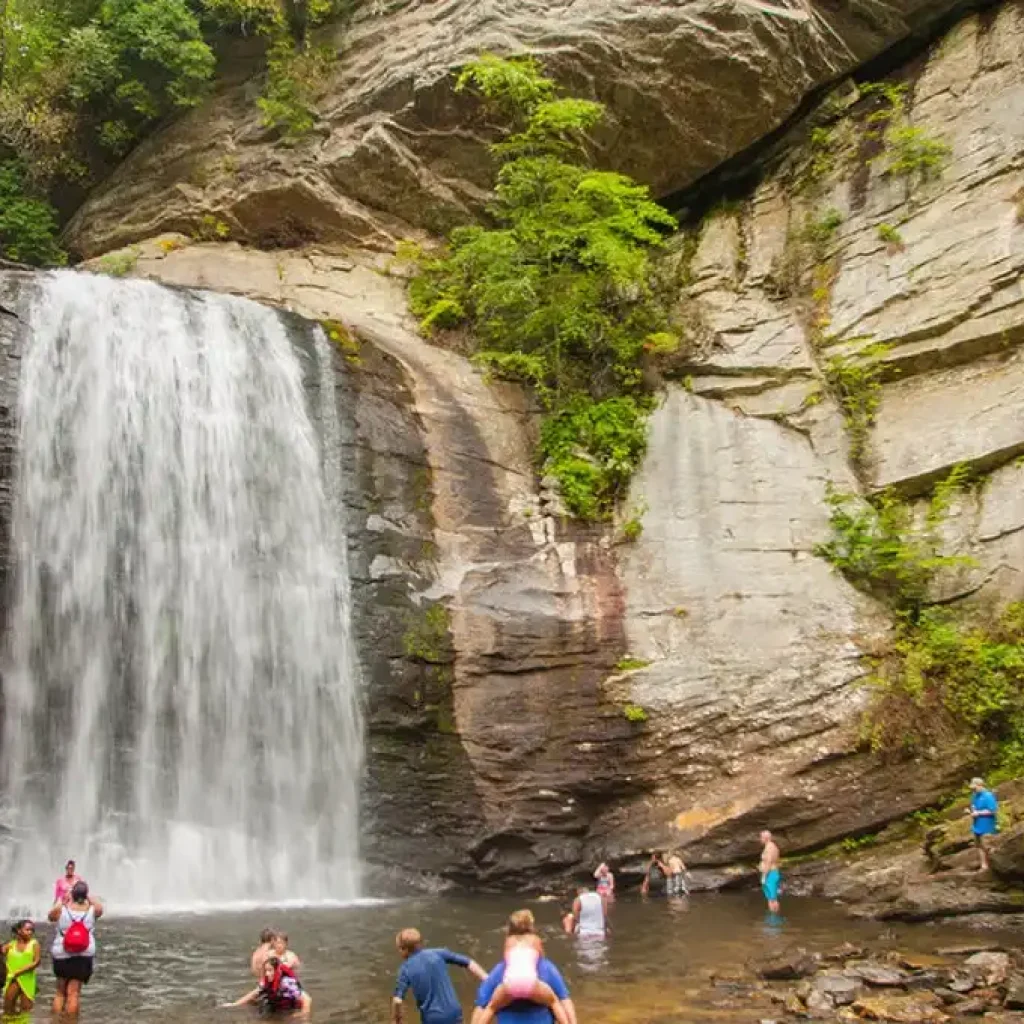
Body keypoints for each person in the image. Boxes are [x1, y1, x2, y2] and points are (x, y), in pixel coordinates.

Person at [471, 921, 577, 1024]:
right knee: (554, 1002)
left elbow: (481, 1006)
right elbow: (565, 1000)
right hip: (532, 985)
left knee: (491, 1007)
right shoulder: (546, 967)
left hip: (509, 986)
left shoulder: (500, 970)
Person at [392, 927, 487, 1024]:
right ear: (420, 944)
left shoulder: (405, 969)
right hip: (454, 1012)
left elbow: (397, 1000)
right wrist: (488, 980)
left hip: (433, 1018)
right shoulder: (438, 953)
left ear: (404, 949)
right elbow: (468, 962)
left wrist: (397, 1020)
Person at [48, 879, 103, 1014]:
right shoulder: (91, 911)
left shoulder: (62, 910)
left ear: (72, 894)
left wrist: (62, 899)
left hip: (62, 953)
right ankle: (71, 1021)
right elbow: (100, 908)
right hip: (83, 954)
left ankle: (55, 1020)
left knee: (60, 992)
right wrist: (89, 897)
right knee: (74, 993)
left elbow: (50, 917)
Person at [224, 954, 312, 1016]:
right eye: (266, 970)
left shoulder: (287, 982)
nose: (267, 974)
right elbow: (253, 993)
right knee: (252, 1002)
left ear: (277, 971)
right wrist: (234, 1004)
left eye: (270, 970)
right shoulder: (266, 982)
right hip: (277, 1007)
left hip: (290, 1009)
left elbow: (307, 999)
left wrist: (303, 1015)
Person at [2, 919, 41, 1013]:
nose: (30, 932)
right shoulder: (11, 944)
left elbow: (37, 962)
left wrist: (20, 971)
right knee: (8, 1006)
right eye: (27, 930)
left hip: (27, 978)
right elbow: (2, 954)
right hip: (13, 978)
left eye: (31, 930)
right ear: (19, 931)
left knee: (25, 1009)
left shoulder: (34, 943)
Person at [969, 776, 999, 872]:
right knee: (979, 846)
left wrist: (979, 813)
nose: (973, 790)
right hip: (977, 826)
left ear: (980, 786)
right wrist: (973, 811)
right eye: (972, 788)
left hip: (987, 826)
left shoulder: (988, 796)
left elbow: (993, 811)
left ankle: (995, 866)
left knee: (987, 846)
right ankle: (984, 865)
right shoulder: (974, 796)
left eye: (975, 788)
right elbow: (973, 806)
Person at [759, 830, 782, 914]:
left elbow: (769, 862)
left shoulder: (769, 847)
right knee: (772, 898)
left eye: (761, 837)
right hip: (773, 873)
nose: (760, 839)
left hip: (770, 874)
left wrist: (764, 876)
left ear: (766, 838)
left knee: (772, 899)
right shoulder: (773, 846)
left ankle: (774, 918)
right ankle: (773, 917)